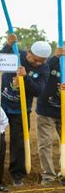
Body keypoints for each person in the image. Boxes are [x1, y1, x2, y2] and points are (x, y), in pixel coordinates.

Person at [0, 34, 50, 187]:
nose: (38, 63)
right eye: (35, 59)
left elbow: (38, 91)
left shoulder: (44, 68)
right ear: (28, 53)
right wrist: (8, 44)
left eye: (42, 61)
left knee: (19, 143)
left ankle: (17, 174)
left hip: (21, 110)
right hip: (1, 104)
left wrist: (25, 78)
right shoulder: (15, 54)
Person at [35, 48, 65, 185]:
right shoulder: (51, 63)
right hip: (46, 111)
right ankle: (48, 177)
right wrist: (56, 56)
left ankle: (63, 173)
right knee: (45, 144)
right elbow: (42, 70)